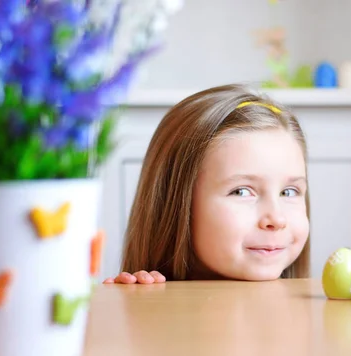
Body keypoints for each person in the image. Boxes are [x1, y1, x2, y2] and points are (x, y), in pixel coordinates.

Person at [103, 83, 311, 284]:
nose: (276, 218)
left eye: (289, 192)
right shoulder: (146, 306)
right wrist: (134, 309)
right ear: (175, 205)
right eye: (241, 192)